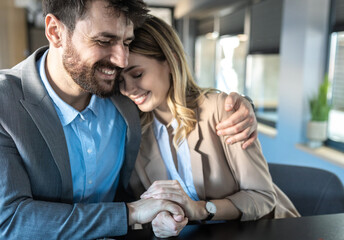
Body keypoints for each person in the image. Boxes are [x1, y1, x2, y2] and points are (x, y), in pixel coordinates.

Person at [0, 0, 258, 239]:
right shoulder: (4, 105)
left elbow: (176, 99)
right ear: (55, 31)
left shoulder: (120, 97)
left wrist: (242, 106)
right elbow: (9, 220)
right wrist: (131, 213)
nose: (121, 60)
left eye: (126, 41)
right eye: (104, 41)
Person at [120, 16, 301, 238]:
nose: (129, 89)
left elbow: (262, 197)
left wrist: (201, 209)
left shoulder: (221, 110)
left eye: (137, 74)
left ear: (171, 61)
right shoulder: (138, 135)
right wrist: (160, 220)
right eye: (121, 80)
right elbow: (143, 211)